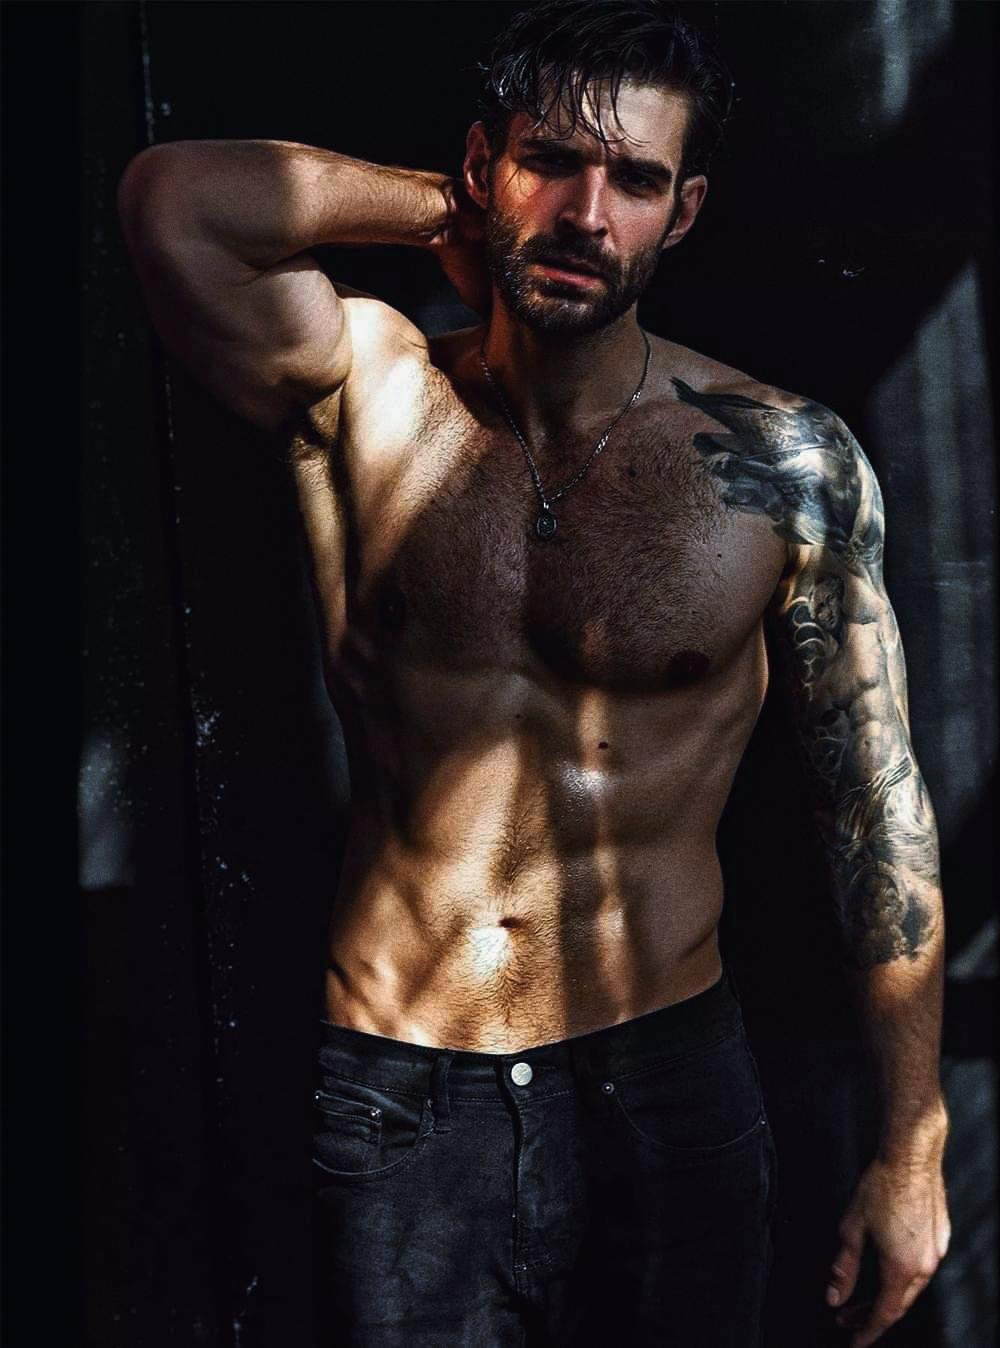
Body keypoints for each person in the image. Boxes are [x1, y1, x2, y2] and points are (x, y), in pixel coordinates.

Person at [118, 1, 950, 1343]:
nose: (586, 216)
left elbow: (874, 805)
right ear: (480, 164)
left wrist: (913, 1143)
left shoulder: (782, 461)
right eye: (549, 162)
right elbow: (176, 202)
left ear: (683, 213)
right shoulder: (365, 390)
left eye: (635, 181)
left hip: (663, 1080)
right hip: (401, 1089)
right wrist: (447, 214)